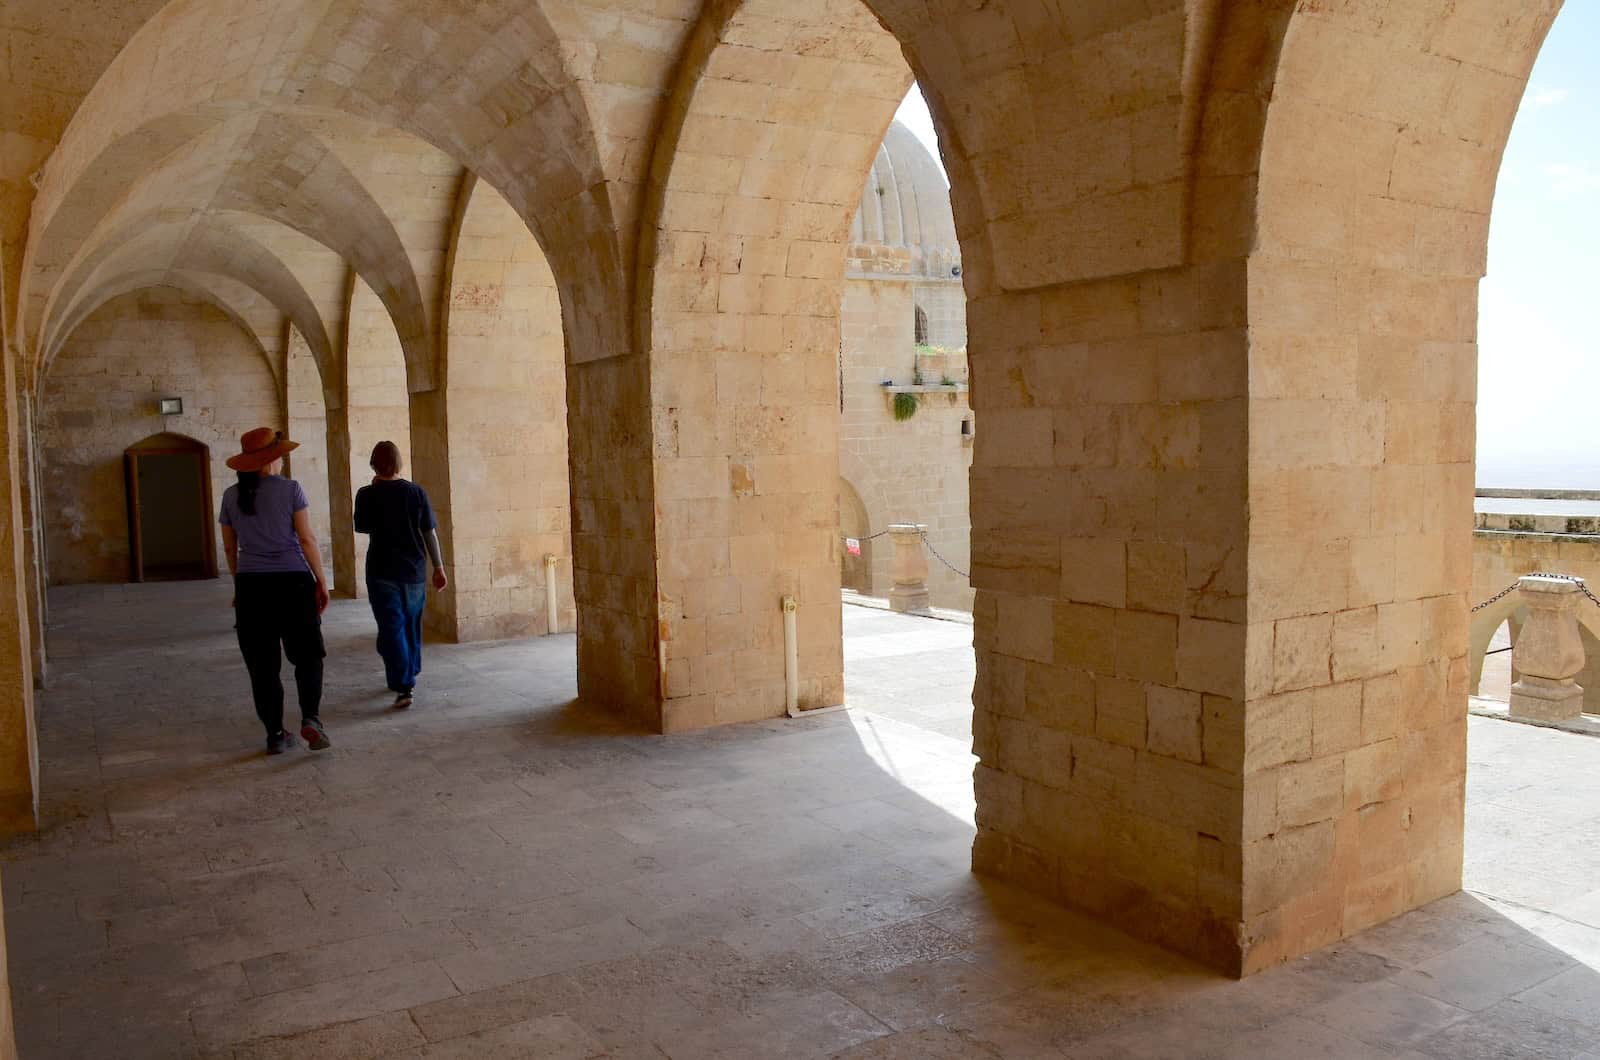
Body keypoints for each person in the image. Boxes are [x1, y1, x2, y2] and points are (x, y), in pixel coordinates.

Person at [219, 428, 332, 754]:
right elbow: (307, 539)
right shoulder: (291, 490)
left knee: (262, 666)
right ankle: (311, 719)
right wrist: (321, 581)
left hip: (253, 587)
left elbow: (230, 547)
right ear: (271, 459)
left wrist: (240, 582)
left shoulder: (230, 496)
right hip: (294, 583)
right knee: (308, 657)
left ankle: (275, 735)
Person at [354, 441, 447, 708]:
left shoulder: (366, 495)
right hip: (414, 570)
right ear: (399, 462)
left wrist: (374, 493)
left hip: (381, 570)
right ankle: (409, 668)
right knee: (410, 623)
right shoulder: (416, 492)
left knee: (391, 627)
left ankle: (404, 682)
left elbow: (362, 527)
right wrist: (438, 567)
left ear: (374, 463)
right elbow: (429, 532)